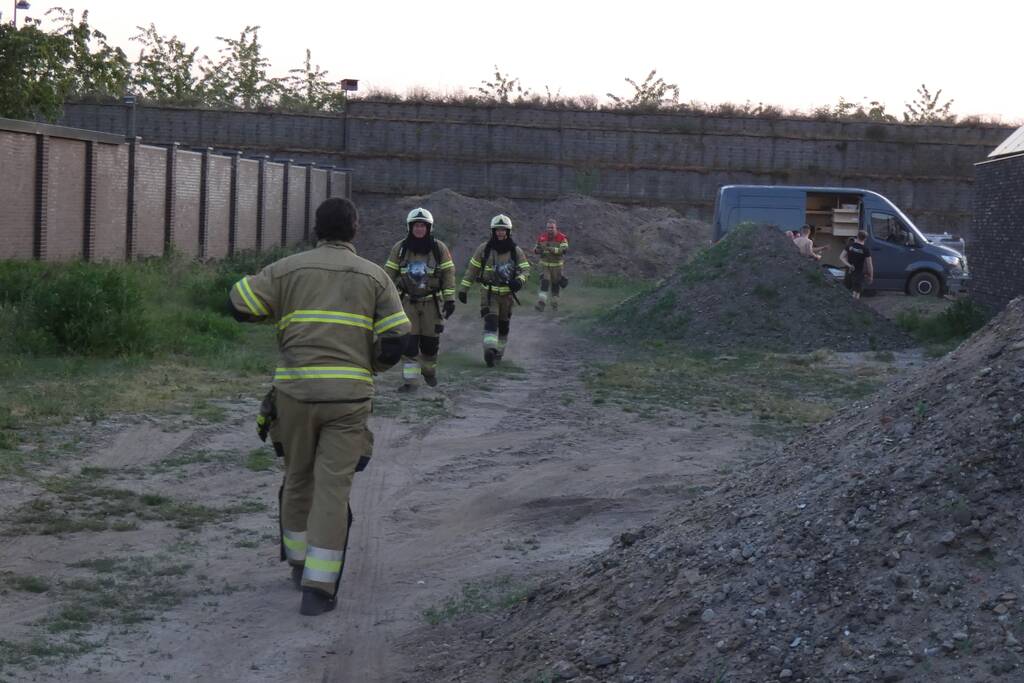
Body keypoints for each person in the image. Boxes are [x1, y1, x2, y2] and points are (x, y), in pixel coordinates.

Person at [229, 197, 410, 616]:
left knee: (297, 477)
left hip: (294, 394)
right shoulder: (375, 276)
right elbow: (398, 342)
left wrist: (276, 312)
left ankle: (297, 563)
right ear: (355, 230)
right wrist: (374, 365)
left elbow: (239, 303)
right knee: (333, 488)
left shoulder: (287, 269)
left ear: (315, 229)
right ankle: (318, 589)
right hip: (348, 401)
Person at [383, 207, 457, 391]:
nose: (419, 229)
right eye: (416, 225)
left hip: (432, 303)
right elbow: (388, 275)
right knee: (408, 344)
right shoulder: (400, 249)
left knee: (430, 345)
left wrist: (450, 299)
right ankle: (411, 383)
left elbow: (448, 274)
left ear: (429, 228)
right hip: (407, 302)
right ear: (410, 227)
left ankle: (429, 372)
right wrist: (383, 299)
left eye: (422, 226)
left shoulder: (439, 249)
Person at [456, 214, 531, 367]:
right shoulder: (484, 249)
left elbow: (526, 271)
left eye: (503, 230)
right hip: (489, 294)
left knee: (504, 327)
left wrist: (519, 281)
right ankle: (489, 351)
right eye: (497, 230)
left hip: (507, 296)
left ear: (508, 232)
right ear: (493, 231)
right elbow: (472, 270)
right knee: (491, 322)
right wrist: (464, 289)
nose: (500, 233)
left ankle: (499, 354)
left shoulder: (516, 251)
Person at [533, 218, 570, 312]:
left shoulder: (562, 238)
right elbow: (536, 248)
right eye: (548, 227)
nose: (550, 229)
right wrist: (537, 250)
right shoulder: (542, 237)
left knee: (555, 285)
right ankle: (541, 303)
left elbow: (564, 250)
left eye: (552, 228)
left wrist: (553, 250)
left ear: (556, 228)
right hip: (545, 266)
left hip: (557, 266)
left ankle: (555, 304)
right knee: (544, 283)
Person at [840, 230, 873, 299]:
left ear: (857, 236)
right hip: (859, 274)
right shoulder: (865, 249)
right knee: (856, 293)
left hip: (849, 272)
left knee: (847, 291)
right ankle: (853, 308)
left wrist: (849, 265)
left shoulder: (849, 246)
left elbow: (841, 257)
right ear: (865, 239)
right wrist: (870, 276)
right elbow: (869, 264)